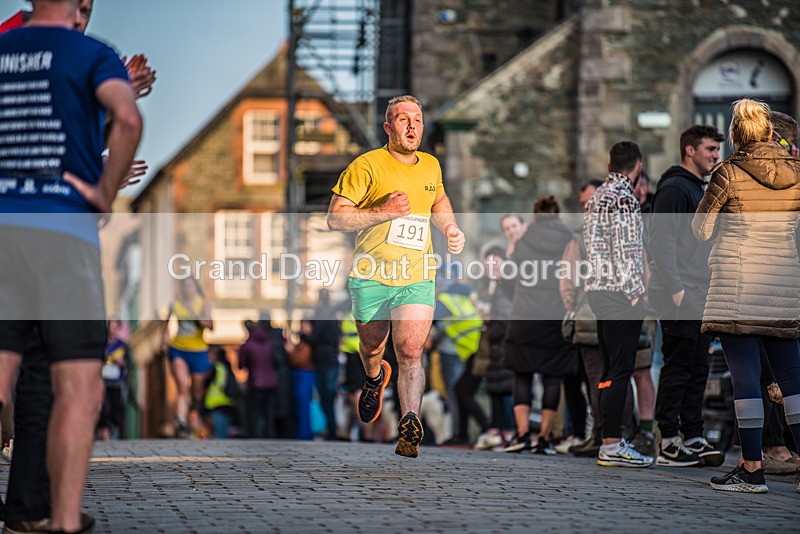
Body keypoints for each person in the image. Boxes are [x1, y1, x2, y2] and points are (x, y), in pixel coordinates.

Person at [0, 2, 142, 533]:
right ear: (82, 7)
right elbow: (127, 118)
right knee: (78, 389)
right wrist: (104, 193)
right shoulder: (92, 54)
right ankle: (59, 521)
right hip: (62, 232)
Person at [327, 94, 465, 458]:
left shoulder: (431, 166)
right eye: (402, 120)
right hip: (371, 275)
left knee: (409, 348)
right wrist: (384, 211)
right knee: (373, 348)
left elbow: (438, 201)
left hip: (416, 274)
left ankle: (409, 424)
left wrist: (450, 227)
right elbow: (336, 217)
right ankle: (374, 377)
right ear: (388, 127)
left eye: (417, 120)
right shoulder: (366, 166)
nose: (411, 127)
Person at [693, 98, 800, 493]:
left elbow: (700, 230)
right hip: (784, 283)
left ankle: (752, 469)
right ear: (771, 133)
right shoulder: (796, 172)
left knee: (746, 380)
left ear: (737, 134)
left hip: (738, 287)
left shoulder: (728, 173)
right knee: (792, 379)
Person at [648, 124, 726, 467]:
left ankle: (692, 435)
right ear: (689, 150)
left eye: (716, 149)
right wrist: (676, 288)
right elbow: (660, 242)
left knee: (698, 366)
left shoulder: (699, 188)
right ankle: (669, 440)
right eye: (709, 149)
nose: (715, 155)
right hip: (679, 293)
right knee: (678, 365)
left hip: (699, 291)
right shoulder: (674, 188)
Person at [584, 141, 654, 468]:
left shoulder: (596, 196)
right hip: (621, 293)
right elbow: (626, 251)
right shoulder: (625, 199)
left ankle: (607, 438)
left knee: (609, 370)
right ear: (637, 167)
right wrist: (637, 292)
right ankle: (612, 443)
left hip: (598, 290)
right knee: (621, 369)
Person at [560, 180, 635, 457]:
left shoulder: (581, 235)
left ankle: (604, 435)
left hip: (590, 311)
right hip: (619, 308)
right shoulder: (624, 225)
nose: (587, 208)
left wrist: (575, 307)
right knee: (617, 376)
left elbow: (567, 282)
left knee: (600, 378)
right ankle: (618, 435)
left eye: (588, 202)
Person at [430, 268, 484, 445]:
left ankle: (461, 433)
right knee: (462, 392)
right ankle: (463, 433)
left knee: (455, 393)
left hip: (454, 351)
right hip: (473, 348)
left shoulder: (444, 300)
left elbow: (429, 321)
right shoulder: (462, 296)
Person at [162, 277, 214, 438]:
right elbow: (165, 323)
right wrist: (163, 340)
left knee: (197, 392)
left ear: (196, 288)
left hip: (198, 350)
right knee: (182, 387)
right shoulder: (175, 304)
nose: (188, 289)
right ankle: (181, 422)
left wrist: (195, 315)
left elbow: (211, 326)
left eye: (191, 286)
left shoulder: (202, 304)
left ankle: (194, 414)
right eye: (185, 286)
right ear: (182, 288)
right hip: (179, 349)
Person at [308, 289, 342, 440]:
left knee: (325, 397)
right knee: (329, 397)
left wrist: (303, 335)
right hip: (332, 358)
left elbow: (314, 338)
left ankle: (332, 431)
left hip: (323, 360)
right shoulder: (334, 315)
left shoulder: (320, 314)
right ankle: (332, 430)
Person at [238, 318, 280, 439]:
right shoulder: (269, 341)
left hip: (256, 382)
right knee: (268, 413)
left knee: (254, 412)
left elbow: (241, 365)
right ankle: (269, 436)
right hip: (271, 382)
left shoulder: (248, 345)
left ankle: (255, 436)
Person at [96, 318, 130, 440]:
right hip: (103, 380)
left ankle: (115, 433)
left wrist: (122, 363)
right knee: (104, 408)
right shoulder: (102, 345)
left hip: (117, 382)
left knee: (117, 407)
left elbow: (129, 363)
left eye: (115, 327)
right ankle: (104, 431)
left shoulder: (123, 345)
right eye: (111, 326)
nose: (113, 330)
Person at [204, 346, 239, 439]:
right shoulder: (228, 367)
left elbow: (206, 382)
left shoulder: (216, 367)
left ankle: (219, 452)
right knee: (224, 432)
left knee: (219, 434)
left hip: (216, 403)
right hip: (228, 402)